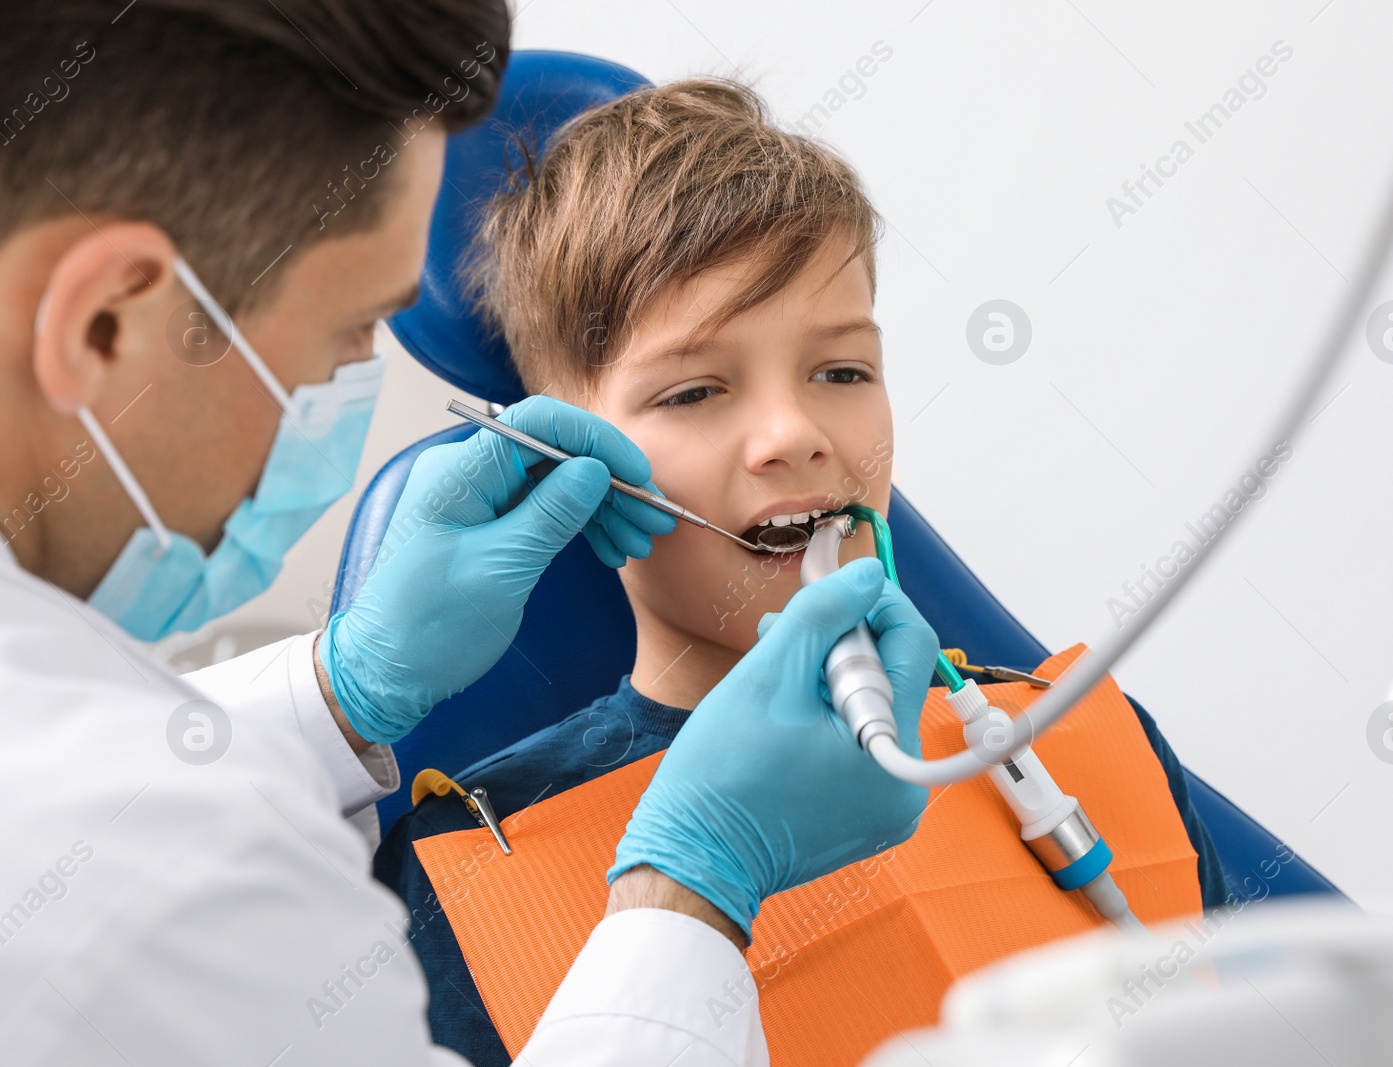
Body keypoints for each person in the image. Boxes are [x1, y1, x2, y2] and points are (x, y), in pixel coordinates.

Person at [0, 4, 939, 1065]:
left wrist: (345, 687)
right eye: (353, 325)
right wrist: (695, 880)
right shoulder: (315, 894)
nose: (793, 433)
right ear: (103, 322)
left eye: (844, 370)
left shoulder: (1056, 726)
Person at [376, 77, 1227, 1066]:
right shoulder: (466, 870)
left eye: (841, 372)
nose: (795, 433)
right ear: (568, 458)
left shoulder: (1076, 734)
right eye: (695, 389)